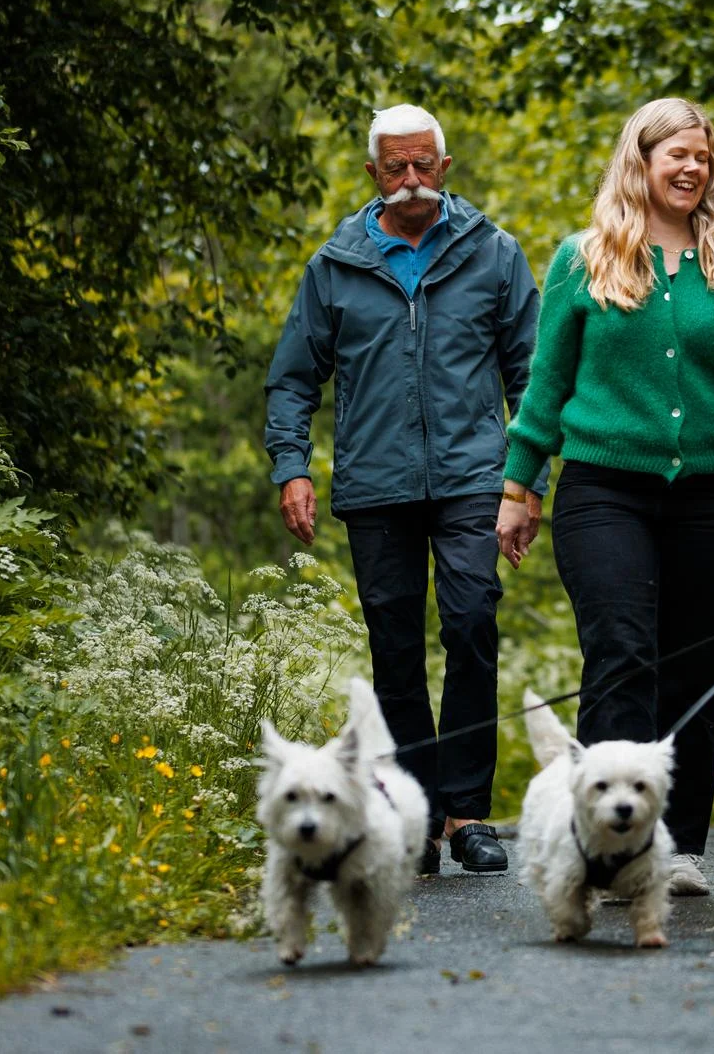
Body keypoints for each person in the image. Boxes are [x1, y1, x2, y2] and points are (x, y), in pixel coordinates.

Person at [499, 97, 714, 898]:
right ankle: (607, 847)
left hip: (708, 499)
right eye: (676, 154)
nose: (692, 168)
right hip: (602, 492)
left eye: (702, 157)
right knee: (621, 652)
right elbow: (546, 385)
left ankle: (674, 848)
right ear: (639, 162)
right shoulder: (583, 259)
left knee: (693, 667)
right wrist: (518, 487)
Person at [264, 104, 544, 877]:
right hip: (376, 482)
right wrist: (293, 466)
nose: (412, 180)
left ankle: (468, 813)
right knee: (394, 647)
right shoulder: (335, 266)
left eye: (424, 165)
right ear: (373, 173)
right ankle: (415, 817)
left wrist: (528, 482)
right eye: (396, 168)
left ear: (445, 168)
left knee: (471, 622)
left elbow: (533, 374)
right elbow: (293, 379)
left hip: (474, 477)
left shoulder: (494, 254)